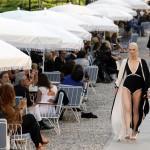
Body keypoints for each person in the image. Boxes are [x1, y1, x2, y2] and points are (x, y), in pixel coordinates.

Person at [111, 42, 150, 141]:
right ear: (128, 50)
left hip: (139, 87)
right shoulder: (125, 61)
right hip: (126, 86)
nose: (132, 51)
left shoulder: (142, 62)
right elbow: (120, 76)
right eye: (130, 49)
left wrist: (148, 90)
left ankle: (134, 130)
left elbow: (147, 78)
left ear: (137, 50)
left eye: (134, 49)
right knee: (127, 109)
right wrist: (116, 86)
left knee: (136, 110)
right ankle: (128, 130)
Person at [0, 84, 48, 150]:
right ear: (9, 93)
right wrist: (21, 108)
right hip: (11, 129)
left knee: (32, 123)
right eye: (12, 91)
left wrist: (19, 108)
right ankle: (39, 142)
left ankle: (39, 143)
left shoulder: (4, 103)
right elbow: (14, 118)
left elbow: (13, 117)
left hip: (10, 127)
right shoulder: (5, 106)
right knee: (31, 119)